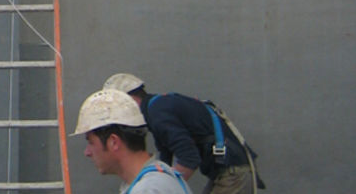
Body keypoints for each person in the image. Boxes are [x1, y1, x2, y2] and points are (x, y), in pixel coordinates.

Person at [104, 73, 265, 194]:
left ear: (132, 99)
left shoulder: (158, 113)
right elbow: (165, 158)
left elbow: (189, 158)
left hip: (234, 173)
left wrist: (159, 186)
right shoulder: (156, 110)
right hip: (228, 171)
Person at [72, 88, 191, 194]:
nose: (87, 152)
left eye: (91, 142)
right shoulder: (160, 174)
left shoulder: (149, 189)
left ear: (114, 142)